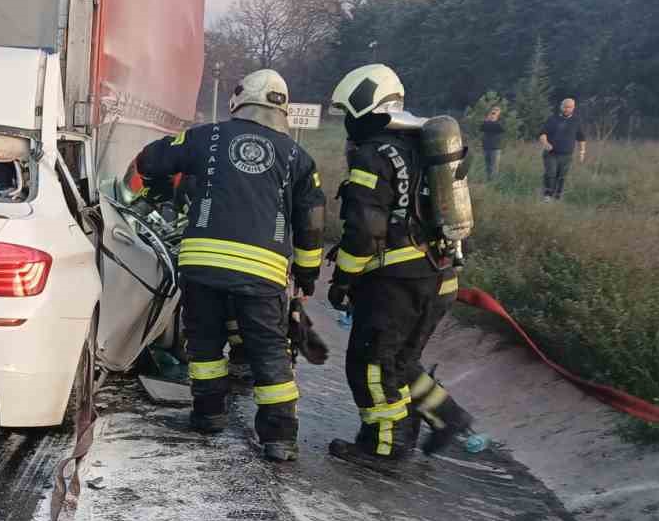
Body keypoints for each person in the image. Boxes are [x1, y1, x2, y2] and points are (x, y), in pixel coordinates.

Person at [127, 69, 325, 462]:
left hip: (202, 265)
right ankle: (279, 438)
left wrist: (160, 188)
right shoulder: (299, 158)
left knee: (204, 344)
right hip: (264, 271)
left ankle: (208, 415)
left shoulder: (207, 137)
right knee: (269, 351)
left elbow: (149, 159)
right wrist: (307, 274)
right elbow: (312, 222)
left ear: (238, 100)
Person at [325, 64, 476, 469]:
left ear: (365, 105)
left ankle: (385, 447)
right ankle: (448, 417)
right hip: (442, 275)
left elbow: (364, 229)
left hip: (398, 284)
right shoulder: (424, 145)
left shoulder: (374, 154)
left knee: (371, 364)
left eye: (349, 111)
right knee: (400, 361)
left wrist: (343, 279)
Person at [538, 97, 586, 199]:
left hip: (567, 155)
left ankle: (557, 196)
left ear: (573, 108)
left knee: (562, 176)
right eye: (565, 107)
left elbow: (581, 138)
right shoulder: (552, 119)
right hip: (551, 153)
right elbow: (542, 134)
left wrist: (582, 152)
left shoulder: (576, 121)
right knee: (550, 173)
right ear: (561, 106)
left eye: (569, 107)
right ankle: (547, 195)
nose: (567, 109)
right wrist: (546, 143)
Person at [480, 106, 504, 179]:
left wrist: (494, 119)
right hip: (486, 147)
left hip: (495, 148)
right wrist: (488, 118)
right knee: (488, 167)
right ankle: (489, 182)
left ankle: (494, 183)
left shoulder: (500, 122)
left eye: (496, 112)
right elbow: (482, 128)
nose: (493, 114)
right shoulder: (487, 122)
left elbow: (500, 129)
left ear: (499, 113)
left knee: (494, 167)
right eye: (493, 112)